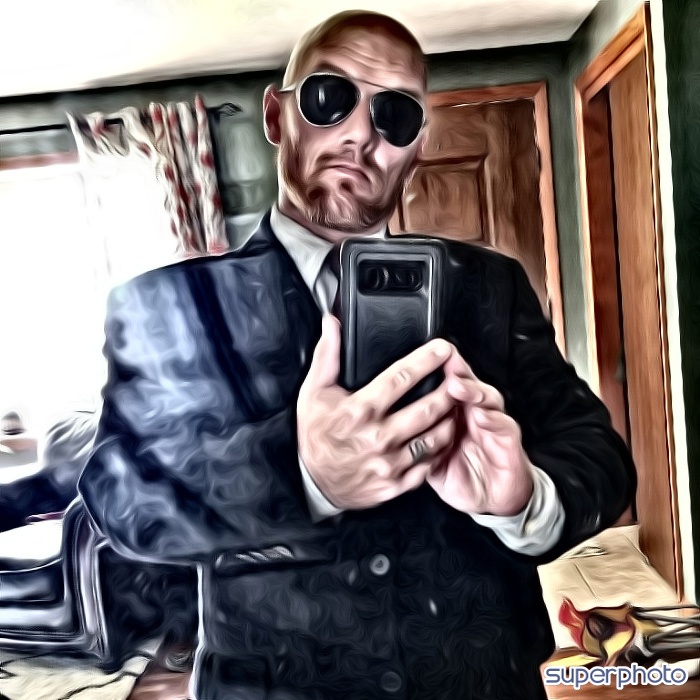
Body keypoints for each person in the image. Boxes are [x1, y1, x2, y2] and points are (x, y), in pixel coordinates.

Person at [78, 10, 636, 700]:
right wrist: (300, 469)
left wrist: (526, 499)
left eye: (394, 115)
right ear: (277, 116)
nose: (360, 134)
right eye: (329, 98)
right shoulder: (168, 304)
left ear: (417, 146)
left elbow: (600, 455)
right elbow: (120, 496)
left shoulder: (490, 286)